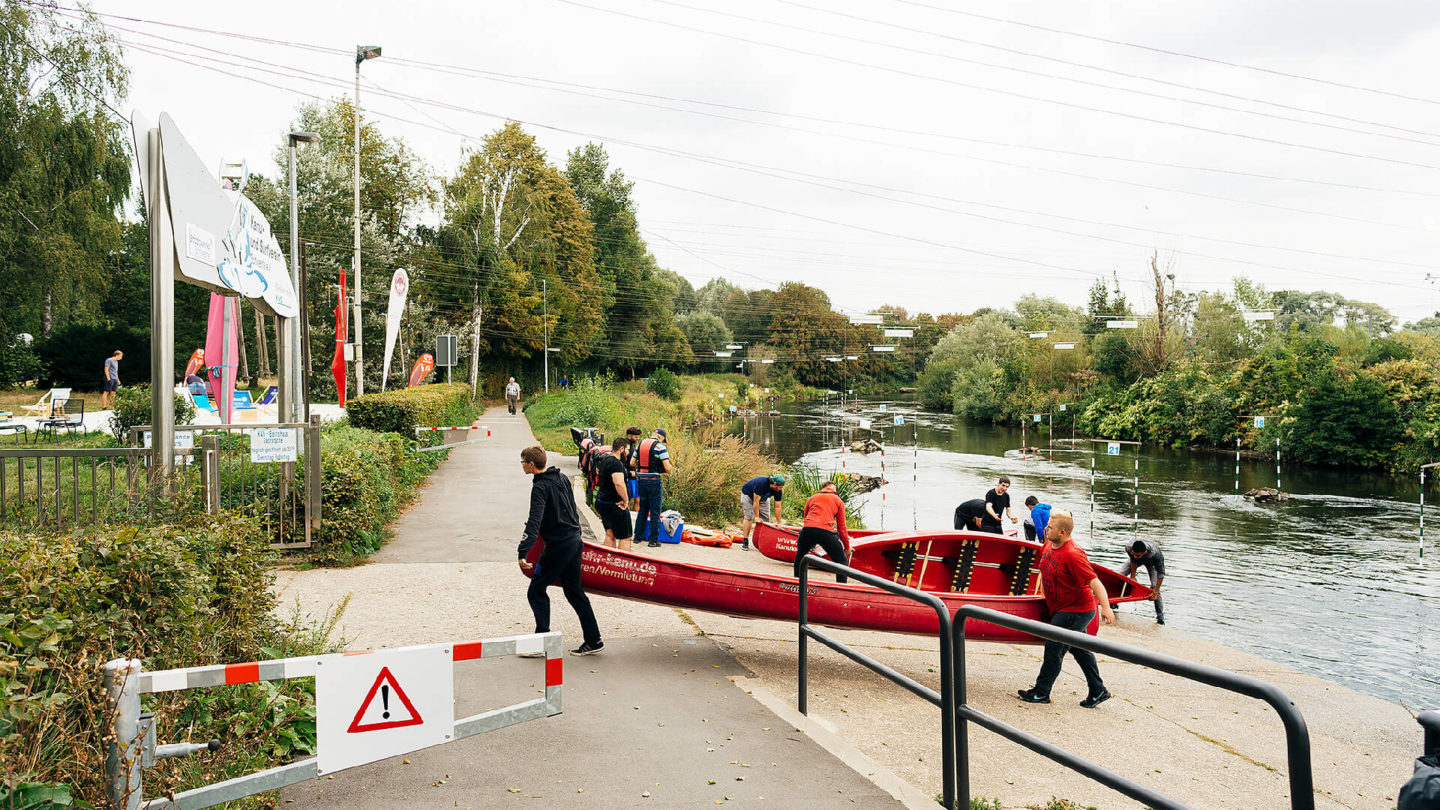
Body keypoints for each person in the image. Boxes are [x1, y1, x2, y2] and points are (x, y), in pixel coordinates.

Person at [1018, 509, 1115, 708]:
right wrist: (1043, 597)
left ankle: (1041, 692)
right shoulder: (1048, 545)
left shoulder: (1073, 554)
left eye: (1050, 527)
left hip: (1076, 610)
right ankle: (1098, 690)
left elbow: (1094, 582)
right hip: (1061, 607)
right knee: (1079, 649)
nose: (1046, 529)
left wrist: (1106, 607)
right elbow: (1043, 571)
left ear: (1062, 532)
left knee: (1054, 649)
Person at [516, 445, 604, 656]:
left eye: (522, 463)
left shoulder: (539, 488)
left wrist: (523, 551)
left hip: (559, 546)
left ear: (530, 464)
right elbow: (572, 509)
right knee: (574, 592)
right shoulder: (562, 477)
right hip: (574, 540)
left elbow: (534, 521)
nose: (522, 466)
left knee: (536, 590)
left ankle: (542, 643)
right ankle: (594, 640)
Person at [794, 481, 851, 583]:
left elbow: (806, 517)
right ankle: (842, 588)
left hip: (807, 530)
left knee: (800, 557)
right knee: (841, 562)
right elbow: (841, 528)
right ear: (833, 489)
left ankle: (796, 584)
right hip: (825, 532)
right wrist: (847, 547)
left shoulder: (812, 498)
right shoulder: (838, 500)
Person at [633, 428, 672, 548]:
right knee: (655, 511)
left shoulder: (641, 444)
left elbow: (632, 463)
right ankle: (653, 540)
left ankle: (637, 537)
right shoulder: (660, 447)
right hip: (654, 482)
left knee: (643, 509)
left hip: (641, 481)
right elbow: (667, 468)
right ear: (660, 437)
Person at [593, 437, 633, 551]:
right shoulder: (616, 464)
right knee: (626, 537)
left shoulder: (605, 460)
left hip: (602, 501)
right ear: (621, 449)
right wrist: (625, 500)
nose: (628, 452)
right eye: (627, 449)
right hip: (615, 504)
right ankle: (622, 565)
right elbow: (619, 483)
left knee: (610, 535)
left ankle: (608, 563)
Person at [1119, 539, 1166, 625]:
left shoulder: (1155, 554)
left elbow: (1161, 574)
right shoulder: (1129, 548)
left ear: (1144, 552)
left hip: (1152, 564)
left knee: (1155, 587)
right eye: (1134, 554)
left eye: (1138, 555)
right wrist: (1132, 577)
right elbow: (1133, 560)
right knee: (1120, 576)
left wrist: (1155, 591)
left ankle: (1160, 617)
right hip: (1135, 562)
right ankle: (1113, 603)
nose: (1135, 556)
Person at [739, 473, 786, 549]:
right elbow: (755, 501)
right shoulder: (761, 483)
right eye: (780, 487)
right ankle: (745, 541)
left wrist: (779, 522)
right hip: (748, 495)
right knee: (749, 516)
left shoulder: (778, 491)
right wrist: (756, 517)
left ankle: (761, 542)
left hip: (763, 498)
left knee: (766, 520)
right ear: (774, 484)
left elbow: (777, 507)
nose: (780, 489)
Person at [622, 426, 643, 511]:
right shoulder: (624, 445)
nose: (637, 438)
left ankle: (636, 520)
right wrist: (628, 472)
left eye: (638, 436)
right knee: (628, 499)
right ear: (629, 436)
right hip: (628, 476)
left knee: (638, 499)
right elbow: (621, 462)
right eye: (636, 436)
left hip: (636, 476)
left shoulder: (634, 445)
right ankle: (626, 518)